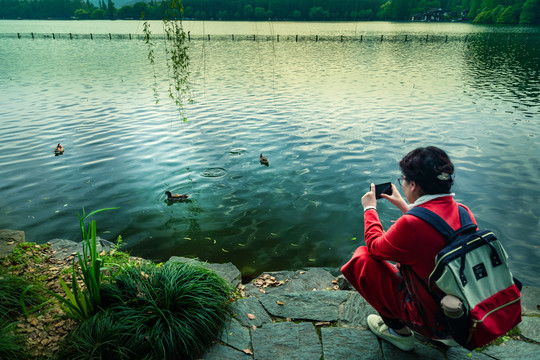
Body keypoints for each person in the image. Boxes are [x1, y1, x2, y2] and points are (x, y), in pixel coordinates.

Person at [341, 146, 476, 351]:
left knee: (362, 258)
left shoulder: (411, 225)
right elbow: (434, 231)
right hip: (457, 315)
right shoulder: (463, 212)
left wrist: (369, 209)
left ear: (413, 184)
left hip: (427, 318)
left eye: (403, 179)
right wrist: (406, 207)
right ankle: (445, 335)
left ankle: (398, 332)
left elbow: (375, 247)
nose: (402, 183)